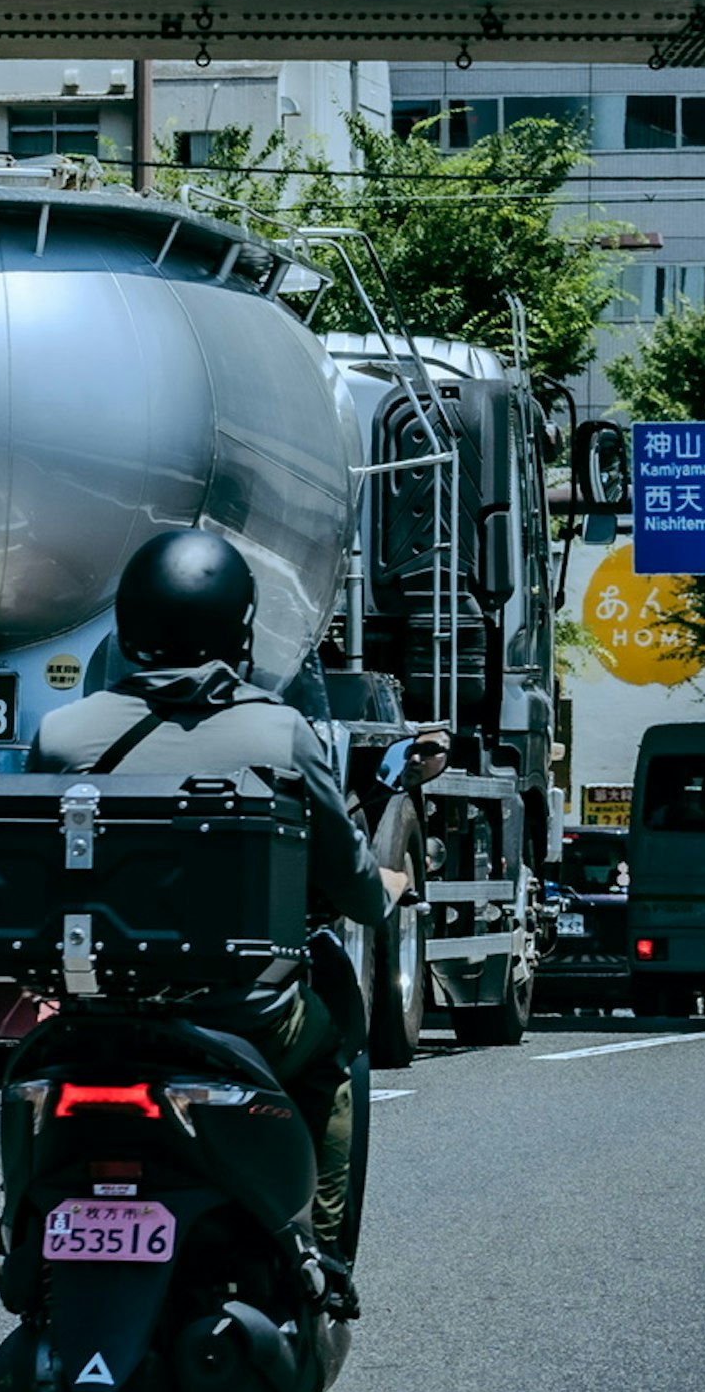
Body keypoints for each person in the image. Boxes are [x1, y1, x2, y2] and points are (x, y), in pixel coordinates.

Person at [30, 530, 441, 1279]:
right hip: (241, 1017)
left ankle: (20, 1230)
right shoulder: (279, 733)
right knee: (332, 1054)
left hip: (95, 1013)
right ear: (239, 628)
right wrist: (383, 894)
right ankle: (315, 1254)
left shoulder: (61, 734)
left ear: (127, 625)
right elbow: (352, 882)